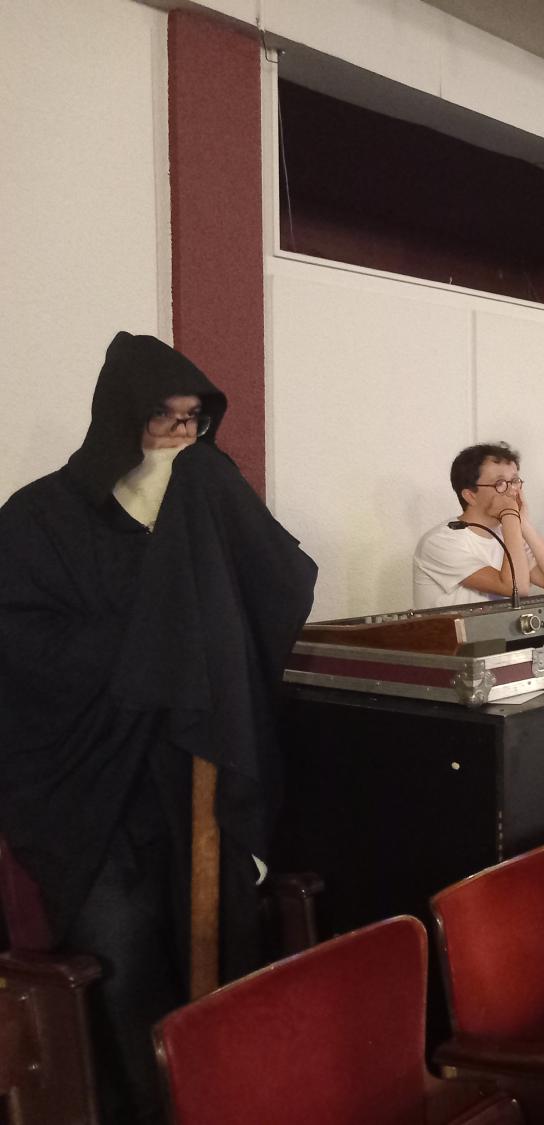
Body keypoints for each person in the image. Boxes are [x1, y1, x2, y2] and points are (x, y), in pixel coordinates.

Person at [0, 332, 318, 1123]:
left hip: (186, 780)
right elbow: (25, 648)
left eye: (193, 420)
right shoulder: (39, 518)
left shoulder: (200, 512)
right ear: (121, 419)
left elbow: (275, 587)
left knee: (219, 954)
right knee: (128, 964)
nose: (180, 436)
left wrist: (204, 533)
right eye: (163, 418)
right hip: (87, 797)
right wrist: (159, 629)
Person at [412, 442, 544, 608]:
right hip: (457, 626)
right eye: (500, 483)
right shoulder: (440, 541)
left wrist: (523, 523)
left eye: (515, 481)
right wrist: (510, 515)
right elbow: (516, 588)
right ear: (470, 495)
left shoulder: (508, 533)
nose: (512, 490)